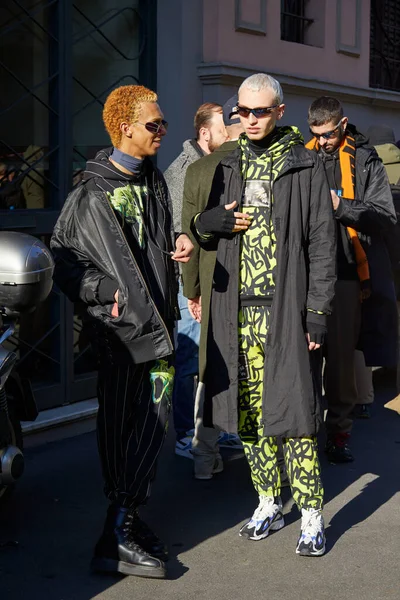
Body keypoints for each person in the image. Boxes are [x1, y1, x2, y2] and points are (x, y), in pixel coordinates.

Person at [51, 84, 193, 579]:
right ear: (125, 128)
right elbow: (65, 263)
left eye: (163, 123)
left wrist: (177, 241)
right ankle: (118, 529)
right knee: (119, 430)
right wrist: (102, 287)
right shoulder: (90, 194)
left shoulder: (152, 180)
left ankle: (124, 520)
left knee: (152, 427)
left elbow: (155, 241)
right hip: (118, 336)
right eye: (155, 124)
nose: (162, 131)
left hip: (157, 331)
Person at [192, 73, 336, 556]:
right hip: (235, 310)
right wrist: (205, 224)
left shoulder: (305, 165)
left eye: (260, 111)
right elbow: (200, 228)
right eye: (243, 112)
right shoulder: (225, 163)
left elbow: (322, 243)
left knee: (294, 413)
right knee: (249, 415)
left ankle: (312, 512)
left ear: (279, 112)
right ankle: (269, 501)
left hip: (285, 310)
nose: (250, 119)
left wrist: (317, 311)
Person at [307, 97, 397, 462]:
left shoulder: (365, 159)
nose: (323, 142)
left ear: (342, 125)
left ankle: (339, 432)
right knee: (306, 360)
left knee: (342, 363)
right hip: (308, 273)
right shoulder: (302, 155)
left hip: (346, 273)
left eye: (328, 134)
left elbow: (383, 216)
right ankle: (306, 433)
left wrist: (340, 207)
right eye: (316, 135)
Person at [181, 95, 245, 479]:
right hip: (257, 288)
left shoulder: (200, 169)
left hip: (213, 282)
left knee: (211, 368)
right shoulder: (264, 167)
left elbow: (187, 238)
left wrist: (193, 291)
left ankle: (205, 458)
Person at [164, 103, 228, 457]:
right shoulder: (182, 171)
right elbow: (180, 235)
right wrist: (193, 289)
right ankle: (186, 435)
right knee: (189, 360)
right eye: (223, 130)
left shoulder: (219, 166)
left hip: (212, 279)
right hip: (188, 283)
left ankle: (211, 431)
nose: (229, 135)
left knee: (212, 358)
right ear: (205, 133)